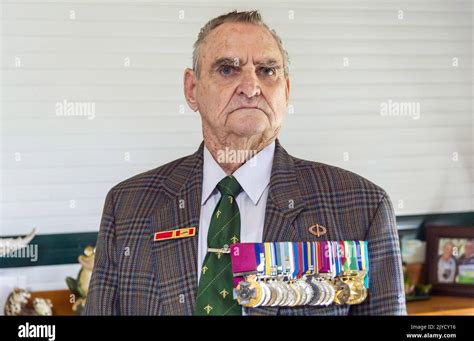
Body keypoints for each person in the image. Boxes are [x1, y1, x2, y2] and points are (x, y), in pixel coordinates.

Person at [84, 10, 406, 316]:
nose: (251, 88)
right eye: (228, 69)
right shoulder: (127, 206)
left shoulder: (362, 207)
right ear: (192, 89)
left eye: (267, 71)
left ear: (287, 91)